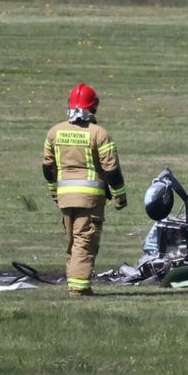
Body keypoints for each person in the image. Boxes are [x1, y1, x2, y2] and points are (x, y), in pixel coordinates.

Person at [42, 83, 127, 296]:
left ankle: (75, 285)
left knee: (73, 242)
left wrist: (54, 193)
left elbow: (48, 168)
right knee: (84, 242)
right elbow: (112, 170)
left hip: (65, 198)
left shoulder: (54, 132)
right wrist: (119, 196)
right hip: (90, 200)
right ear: (94, 107)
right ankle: (78, 290)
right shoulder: (99, 134)